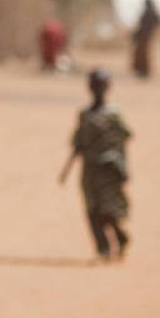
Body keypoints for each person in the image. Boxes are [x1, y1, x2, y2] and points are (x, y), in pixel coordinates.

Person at [59, 68, 131, 262]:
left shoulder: (114, 114)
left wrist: (124, 168)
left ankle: (120, 236)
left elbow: (122, 141)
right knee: (92, 209)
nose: (97, 89)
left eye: (100, 86)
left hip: (109, 168)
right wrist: (66, 170)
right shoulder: (84, 114)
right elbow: (78, 144)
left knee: (108, 209)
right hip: (90, 169)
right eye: (94, 86)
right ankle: (103, 247)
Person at [131, 0, 160, 79]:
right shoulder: (148, 13)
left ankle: (144, 70)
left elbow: (158, 23)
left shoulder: (152, 13)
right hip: (142, 36)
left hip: (146, 36)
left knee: (144, 54)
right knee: (140, 53)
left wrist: (152, 32)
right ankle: (141, 70)